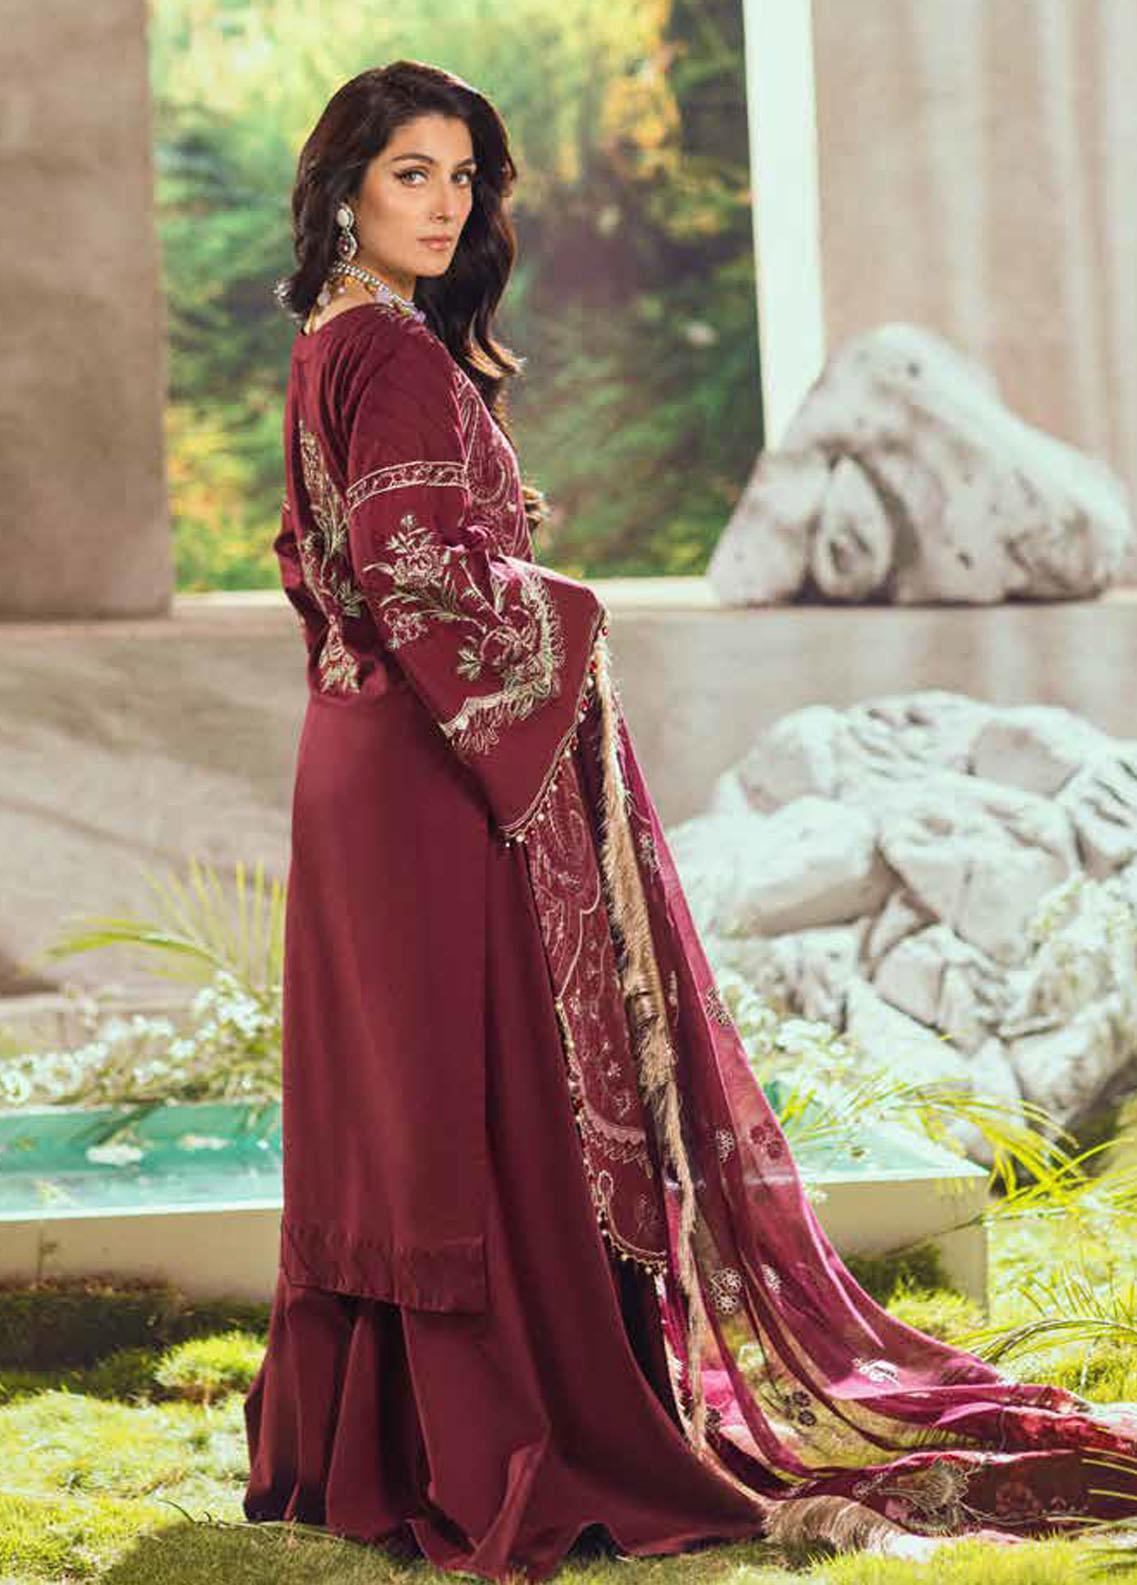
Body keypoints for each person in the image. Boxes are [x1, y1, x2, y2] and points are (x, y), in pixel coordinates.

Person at [243, 57, 1137, 1583]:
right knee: (483, 1092)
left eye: (463, 176)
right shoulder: (388, 350)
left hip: (361, 762)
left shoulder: (329, 339)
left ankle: (375, 1448)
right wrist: (569, 613)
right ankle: (513, 1432)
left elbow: (318, 570)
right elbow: (415, 580)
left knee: (404, 1105)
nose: (445, 204)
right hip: (443, 775)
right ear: (344, 190)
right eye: (410, 174)